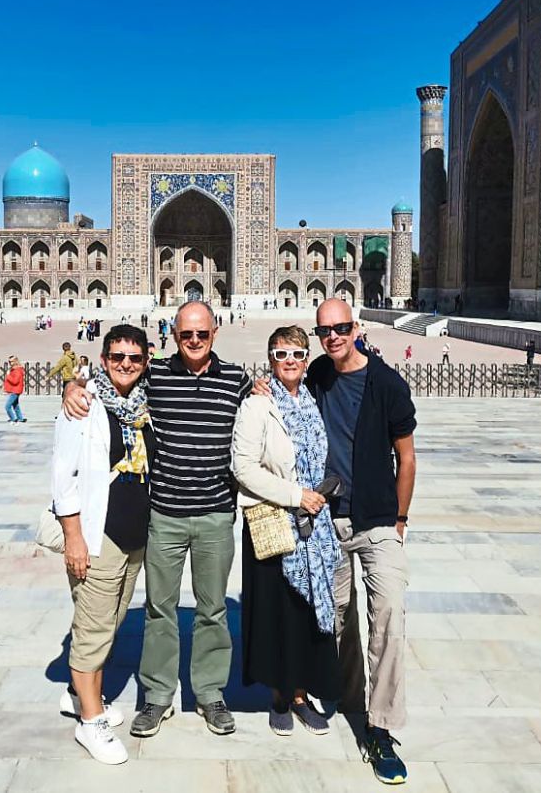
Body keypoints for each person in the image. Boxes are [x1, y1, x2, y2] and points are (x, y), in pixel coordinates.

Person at [63, 301, 250, 739]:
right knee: (159, 610)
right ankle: (158, 696)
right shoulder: (157, 375)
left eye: (201, 334)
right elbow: (112, 378)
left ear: (214, 333)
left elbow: (268, 405)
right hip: (164, 513)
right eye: (186, 334)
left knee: (212, 609)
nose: (194, 341)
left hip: (215, 513)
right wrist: (74, 385)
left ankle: (209, 692)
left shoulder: (236, 379)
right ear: (173, 335)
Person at [304, 300, 415, 784]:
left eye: (341, 328)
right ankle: (351, 700)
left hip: (377, 522)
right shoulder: (316, 376)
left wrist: (401, 518)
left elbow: (406, 458)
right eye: (325, 329)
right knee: (339, 618)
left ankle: (382, 725)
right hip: (330, 520)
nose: (333, 336)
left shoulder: (387, 383)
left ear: (356, 329)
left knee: (388, 612)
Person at [52, 324, 155, 765]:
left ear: (146, 360)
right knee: (93, 628)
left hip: (135, 535)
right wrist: (74, 537)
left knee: (109, 622)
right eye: (118, 357)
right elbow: (62, 479)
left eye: (134, 357)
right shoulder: (83, 405)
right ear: (104, 358)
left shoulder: (149, 401)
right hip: (96, 536)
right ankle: (90, 721)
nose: (126, 364)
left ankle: (80, 696)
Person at [232, 325, 339, 737]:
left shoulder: (314, 400)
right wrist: (297, 496)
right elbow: (243, 467)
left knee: (306, 611)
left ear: (306, 359)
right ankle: (279, 695)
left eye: (296, 353)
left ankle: (301, 692)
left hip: (315, 529)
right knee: (277, 612)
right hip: (277, 520)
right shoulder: (257, 404)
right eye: (280, 355)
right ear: (270, 360)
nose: (289, 361)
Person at [3, 356, 26, 422]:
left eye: (11, 361)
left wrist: (8, 375)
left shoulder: (18, 370)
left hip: (16, 390)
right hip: (14, 390)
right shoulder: (13, 369)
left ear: (16, 361)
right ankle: (20, 418)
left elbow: (15, 381)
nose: (10, 363)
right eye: (9, 361)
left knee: (7, 406)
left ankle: (13, 418)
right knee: (15, 405)